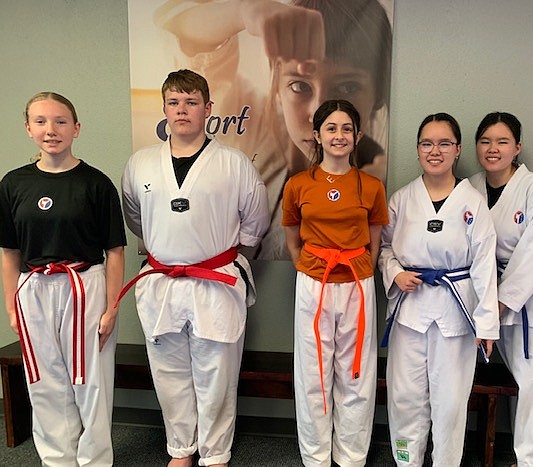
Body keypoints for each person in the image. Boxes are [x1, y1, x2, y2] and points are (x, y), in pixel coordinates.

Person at [152, 0, 392, 259]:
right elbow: (187, 40)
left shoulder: (379, 187)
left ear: (378, 93)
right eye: (300, 87)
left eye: (347, 88)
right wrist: (243, 11)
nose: (319, 116)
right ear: (277, 85)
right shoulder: (253, 122)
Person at [120, 69, 269, 467]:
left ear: (208, 108)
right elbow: (136, 217)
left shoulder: (234, 164)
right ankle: (181, 449)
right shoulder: (141, 164)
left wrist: (222, 258)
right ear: (164, 108)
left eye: (190, 102)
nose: (181, 110)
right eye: (173, 102)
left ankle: (216, 452)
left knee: (217, 372)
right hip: (162, 279)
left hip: (216, 280)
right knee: (169, 373)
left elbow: (255, 224)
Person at [0, 92, 126, 466]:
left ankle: (95, 460)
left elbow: (115, 251)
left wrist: (112, 307)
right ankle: (57, 460)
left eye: (60, 121)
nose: (50, 130)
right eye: (40, 121)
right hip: (34, 288)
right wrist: (11, 305)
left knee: (92, 382)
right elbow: (9, 251)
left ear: (76, 128)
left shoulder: (96, 184)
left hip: (84, 286)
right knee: (45, 382)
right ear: (27, 128)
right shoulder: (13, 184)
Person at [378, 113, 499, 466]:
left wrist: (487, 324)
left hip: (454, 311)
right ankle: (407, 461)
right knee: (405, 396)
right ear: (417, 150)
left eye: (444, 143)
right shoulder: (401, 199)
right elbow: (384, 249)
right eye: (427, 143)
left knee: (450, 401)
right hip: (410, 310)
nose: (435, 151)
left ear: (458, 150)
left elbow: (484, 263)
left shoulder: (473, 202)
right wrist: (396, 273)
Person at [282, 99, 388, 466]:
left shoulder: (371, 186)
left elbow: (374, 238)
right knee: (313, 372)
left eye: (346, 129)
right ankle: (315, 457)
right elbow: (292, 236)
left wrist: (358, 269)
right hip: (314, 283)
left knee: (355, 371)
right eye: (331, 128)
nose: (339, 136)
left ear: (357, 136)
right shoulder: (298, 185)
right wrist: (310, 266)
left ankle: (351, 457)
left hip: (357, 284)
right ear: (317, 136)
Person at [469, 112, 533, 467]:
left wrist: (501, 301)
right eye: (485, 141)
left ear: (517, 147)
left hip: (528, 299)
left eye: (502, 141)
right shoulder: (470, 187)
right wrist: (485, 302)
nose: (492, 149)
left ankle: (532, 463)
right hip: (484, 295)